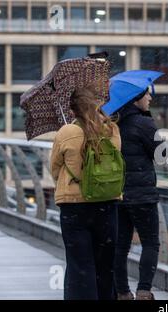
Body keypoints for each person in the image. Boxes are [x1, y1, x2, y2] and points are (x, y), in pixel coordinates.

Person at [51, 84, 121, 300]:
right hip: (107, 203)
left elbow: (54, 167)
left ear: (73, 110)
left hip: (74, 206)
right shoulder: (111, 129)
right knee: (105, 264)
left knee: (79, 265)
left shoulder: (67, 131)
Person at [113, 88, 166, 300]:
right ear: (136, 99)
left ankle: (122, 292)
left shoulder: (111, 123)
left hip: (117, 193)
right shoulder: (144, 123)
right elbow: (161, 155)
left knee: (120, 246)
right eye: (146, 95)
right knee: (150, 243)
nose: (150, 98)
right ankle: (144, 292)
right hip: (142, 194)